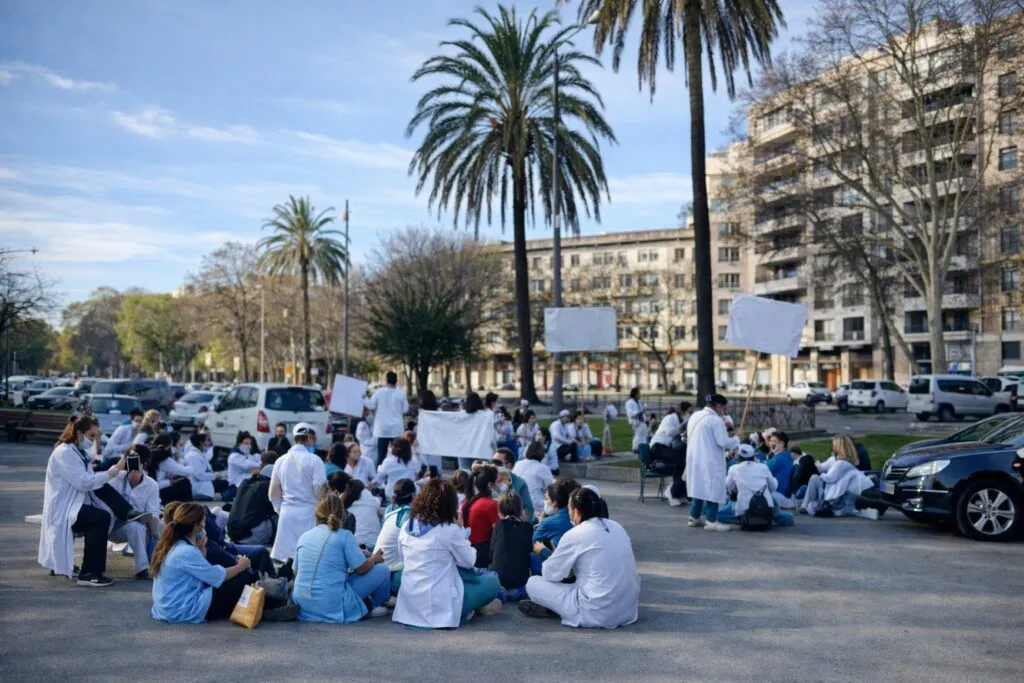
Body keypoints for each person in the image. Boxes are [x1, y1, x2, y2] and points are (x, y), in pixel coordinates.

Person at [521, 487, 640, 628]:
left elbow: (550, 574)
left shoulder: (576, 533)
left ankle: (557, 609)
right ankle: (558, 607)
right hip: (628, 609)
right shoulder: (617, 526)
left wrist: (548, 554)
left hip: (595, 612)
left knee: (532, 583)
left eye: (569, 509)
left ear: (577, 512)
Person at [392, 479, 502, 628]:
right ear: (450, 504)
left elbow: (402, 558)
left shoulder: (407, 526)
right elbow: (469, 561)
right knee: (493, 581)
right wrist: (461, 529)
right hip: (439, 605)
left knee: (399, 576)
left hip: (410, 606)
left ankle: (472, 609)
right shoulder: (449, 529)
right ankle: (468, 610)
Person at [38, 416, 132, 586]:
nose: (93, 440)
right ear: (79, 433)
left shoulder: (75, 451)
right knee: (101, 517)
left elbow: (90, 473)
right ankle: (90, 573)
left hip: (73, 504)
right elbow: (84, 482)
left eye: (96, 436)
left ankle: (127, 512)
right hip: (64, 509)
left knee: (102, 507)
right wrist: (112, 472)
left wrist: (113, 470)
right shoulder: (65, 452)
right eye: (91, 435)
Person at [292, 494, 390, 622]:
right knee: (382, 570)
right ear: (342, 514)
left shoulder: (304, 536)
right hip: (332, 604)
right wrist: (374, 559)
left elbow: (296, 571)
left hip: (304, 605)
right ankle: (376, 605)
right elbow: (361, 569)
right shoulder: (345, 535)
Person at [150, 502, 252, 623]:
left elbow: (202, 570)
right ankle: (267, 605)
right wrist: (242, 565)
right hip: (183, 610)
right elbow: (217, 577)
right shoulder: (186, 551)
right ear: (196, 526)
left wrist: (201, 546)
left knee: (232, 579)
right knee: (242, 576)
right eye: (204, 522)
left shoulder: (175, 544)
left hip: (169, 607)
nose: (205, 526)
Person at [269, 423, 329, 562]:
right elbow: (320, 489)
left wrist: (279, 508)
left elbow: (273, 491)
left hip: (287, 514)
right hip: (309, 512)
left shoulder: (280, 460)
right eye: (314, 439)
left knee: (284, 560)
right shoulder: (315, 460)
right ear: (309, 437)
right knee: (307, 557)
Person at [685, 394, 740, 531]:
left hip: (695, 459)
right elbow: (724, 442)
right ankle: (711, 521)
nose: (724, 411)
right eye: (724, 408)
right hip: (710, 460)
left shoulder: (695, 416)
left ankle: (694, 517)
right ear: (718, 406)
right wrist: (737, 439)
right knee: (712, 490)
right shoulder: (715, 420)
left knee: (699, 489)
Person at [106, 444, 162, 579]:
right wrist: (117, 468)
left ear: (144, 464)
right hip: (108, 526)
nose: (133, 467)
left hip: (129, 528)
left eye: (137, 463)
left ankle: (142, 568)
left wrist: (154, 542)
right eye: (130, 461)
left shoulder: (151, 485)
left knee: (137, 527)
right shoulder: (116, 477)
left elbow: (153, 515)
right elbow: (101, 488)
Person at [719, 444, 793, 527]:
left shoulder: (733, 468)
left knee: (718, 515)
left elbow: (729, 487)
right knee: (769, 497)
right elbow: (773, 487)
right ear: (753, 456)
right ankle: (784, 518)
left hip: (744, 508)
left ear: (738, 457)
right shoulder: (763, 467)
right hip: (764, 506)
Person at [800, 436, 874, 517]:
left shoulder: (840, 463)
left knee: (814, 478)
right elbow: (823, 468)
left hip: (835, 497)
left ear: (839, 447)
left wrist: (819, 474)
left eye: (834, 445)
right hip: (842, 495)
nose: (832, 447)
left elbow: (829, 478)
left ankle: (805, 506)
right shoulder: (847, 461)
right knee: (816, 478)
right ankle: (807, 505)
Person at [373, 478, 415, 594]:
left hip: (377, 572)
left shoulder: (389, 510)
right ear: (413, 496)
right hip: (392, 577)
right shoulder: (410, 514)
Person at [226, 452, 278, 546]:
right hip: (251, 536)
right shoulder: (268, 486)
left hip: (233, 534)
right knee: (278, 516)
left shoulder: (245, 482)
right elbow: (277, 508)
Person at [489, 491, 532, 599]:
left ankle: (501, 592)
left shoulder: (499, 525)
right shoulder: (528, 528)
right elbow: (527, 553)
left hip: (499, 577)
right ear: (520, 509)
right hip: (520, 579)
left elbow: (491, 552)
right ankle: (516, 593)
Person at [652, 401, 693, 507]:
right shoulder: (670, 418)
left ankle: (679, 492)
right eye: (689, 412)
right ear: (683, 411)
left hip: (668, 446)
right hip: (658, 446)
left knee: (685, 460)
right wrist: (684, 425)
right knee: (678, 460)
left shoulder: (680, 420)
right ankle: (671, 491)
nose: (690, 414)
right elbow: (669, 432)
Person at [531, 479, 576, 573]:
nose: (545, 502)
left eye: (547, 499)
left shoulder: (548, 522)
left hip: (562, 570)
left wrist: (544, 551)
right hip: (575, 564)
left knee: (532, 555)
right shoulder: (573, 515)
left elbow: (533, 543)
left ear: (554, 502)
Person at [365, 371, 409, 466]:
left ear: (386, 380)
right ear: (396, 381)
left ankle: (380, 476)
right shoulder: (401, 393)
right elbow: (405, 410)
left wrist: (364, 397)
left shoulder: (379, 392)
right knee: (397, 455)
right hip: (396, 429)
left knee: (381, 456)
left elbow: (371, 405)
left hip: (382, 429)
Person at [461, 465, 500, 568]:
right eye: (497, 482)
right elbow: (499, 533)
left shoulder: (467, 501)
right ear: (490, 485)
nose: (499, 485)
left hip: (467, 549)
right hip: (482, 552)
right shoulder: (490, 504)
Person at [147, 434, 194, 505]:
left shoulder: (151, 453)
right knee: (185, 483)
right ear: (168, 446)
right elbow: (187, 472)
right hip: (158, 492)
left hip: (151, 489)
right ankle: (186, 509)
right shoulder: (164, 459)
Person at [512, 441, 554, 518]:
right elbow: (551, 489)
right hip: (535, 505)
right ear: (542, 454)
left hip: (515, 502)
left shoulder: (518, 464)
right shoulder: (543, 468)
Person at [492, 448, 535, 520]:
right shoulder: (488, 479)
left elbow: (528, 510)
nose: (493, 465)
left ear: (508, 465)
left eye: (497, 463)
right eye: (492, 462)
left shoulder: (520, 483)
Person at [342, 479, 382, 550]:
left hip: (356, 545)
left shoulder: (347, 503)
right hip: (374, 544)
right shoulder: (367, 495)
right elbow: (377, 502)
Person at [182, 432, 221, 502]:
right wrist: (214, 476)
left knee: (226, 484)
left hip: (204, 482)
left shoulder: (199, 453)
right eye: (207, 440)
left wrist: (214, 475)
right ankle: (220, 497)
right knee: (228, 486)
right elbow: (199, 475)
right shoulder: (193, 456)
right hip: (199, 487)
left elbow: (207, 469)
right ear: (201, 442)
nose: (209, 443)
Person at [225, 431, 261, 498]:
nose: (249, 446)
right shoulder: (234, 456)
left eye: (250, 443)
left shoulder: (246, 454)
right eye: (246, 443)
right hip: (235, 486)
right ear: (239, 444)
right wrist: (259, 467)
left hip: (244, 484)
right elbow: (248, 465)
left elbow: (255, 465)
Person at [766, 431, 795, 502]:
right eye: (770, 441)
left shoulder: (780, 459)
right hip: (778, 492)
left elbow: (762, 469)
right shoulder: (783, 455)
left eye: (773, 441)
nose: (770, 443)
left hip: (779, 494)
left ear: (781, 444)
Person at [625, 387, 648, 453]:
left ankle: (642, 447)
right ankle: (635, 448)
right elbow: (630, 413)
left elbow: (641, 410)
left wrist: (643, 409)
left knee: (644, 434)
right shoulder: (629, 403)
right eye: (639, 393)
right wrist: (641, 411)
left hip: (641, 420)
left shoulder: (639, 401)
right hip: (636, 421)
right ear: (635, 394)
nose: (640, 395)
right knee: (639, 434)